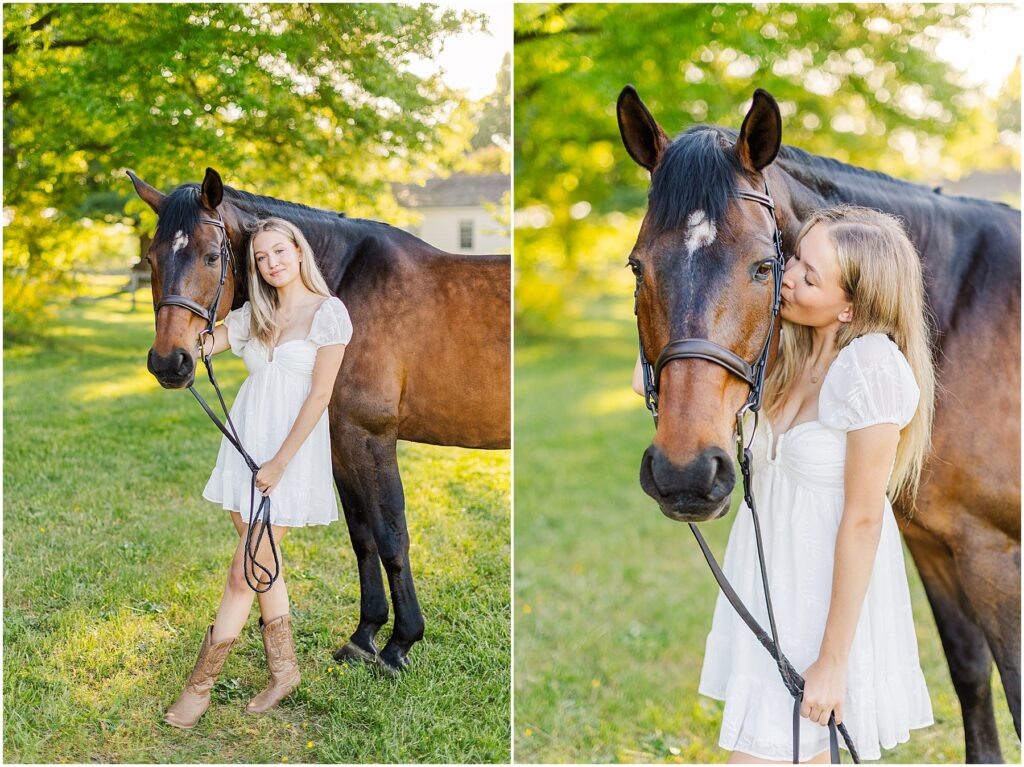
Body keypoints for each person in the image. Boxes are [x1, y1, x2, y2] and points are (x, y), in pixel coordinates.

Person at [633, 205, 936, 762]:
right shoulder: (785, 350)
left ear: (850, 306)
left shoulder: (871, 369)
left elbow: (865, 520)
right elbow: (646, 379)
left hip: (823, 597)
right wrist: (675, 280)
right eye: (794, 257)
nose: (788, 275)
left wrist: (833, 660)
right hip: (770, 577)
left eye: (809, 275)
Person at [164, 217, 353, 729]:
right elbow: (204, 345)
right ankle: (285, 670)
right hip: (244, 444)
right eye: (261, 258)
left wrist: (280, 463)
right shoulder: (256, 314)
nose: (271, 264)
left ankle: (198, 689)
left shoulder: (328, 314)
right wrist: (180, 328)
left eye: (278, 252)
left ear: (298, 251)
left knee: (244, 572)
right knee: (261, 562)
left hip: (286, 456)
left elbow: (319, 396)